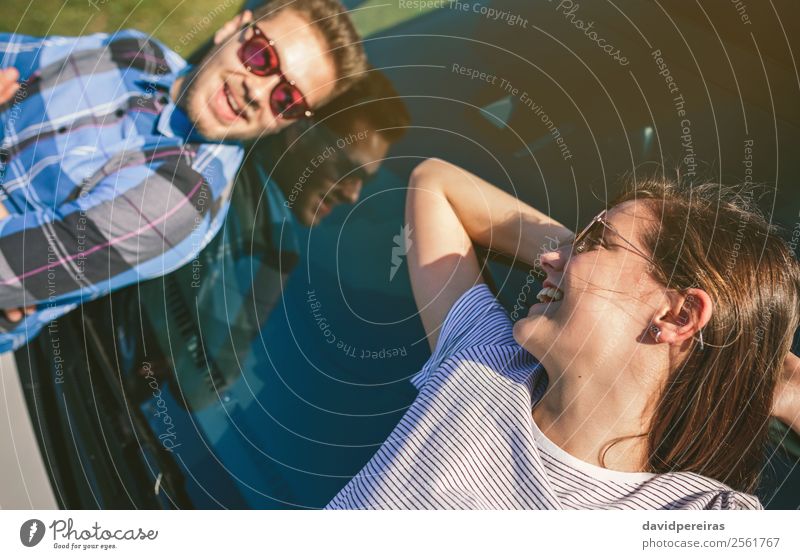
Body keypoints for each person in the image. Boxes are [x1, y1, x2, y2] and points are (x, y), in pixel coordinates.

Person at [326, 158, 800, 509]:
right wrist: (581, 263)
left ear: (677, 316)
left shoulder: (696, 516)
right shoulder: (484, 364)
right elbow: (435, 184)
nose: (549, 258)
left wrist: (772, 383)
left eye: (595, 244)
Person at [0, 0, 368, 352]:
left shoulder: (181, 197)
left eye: (287, 99)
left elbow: (7, 272)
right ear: (233, 28)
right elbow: (11, 56)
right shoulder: (141, 51)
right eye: (262, 55)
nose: (257, 91)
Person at [128, 70, 410, 411]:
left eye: (366, 182)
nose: (353, 195)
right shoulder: (261, 233)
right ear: (298, 133)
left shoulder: (278, 240)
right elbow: (201, 385)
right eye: (349, 170)